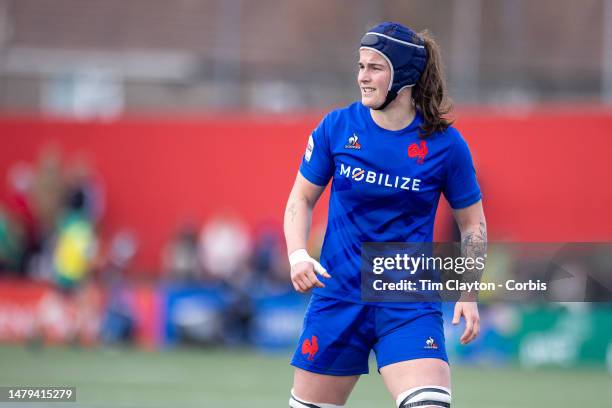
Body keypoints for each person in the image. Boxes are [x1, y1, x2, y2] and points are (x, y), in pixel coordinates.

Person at [283, 22, 486, 408]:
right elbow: (300, 200)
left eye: (375, 67)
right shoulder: (336, 127)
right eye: (361, 66)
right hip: (338, 296)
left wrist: (469, 289)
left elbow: (472, 222)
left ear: (404, 74)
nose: (363, 76)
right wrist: (297, 255)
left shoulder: (445, 144)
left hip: (408, 301)